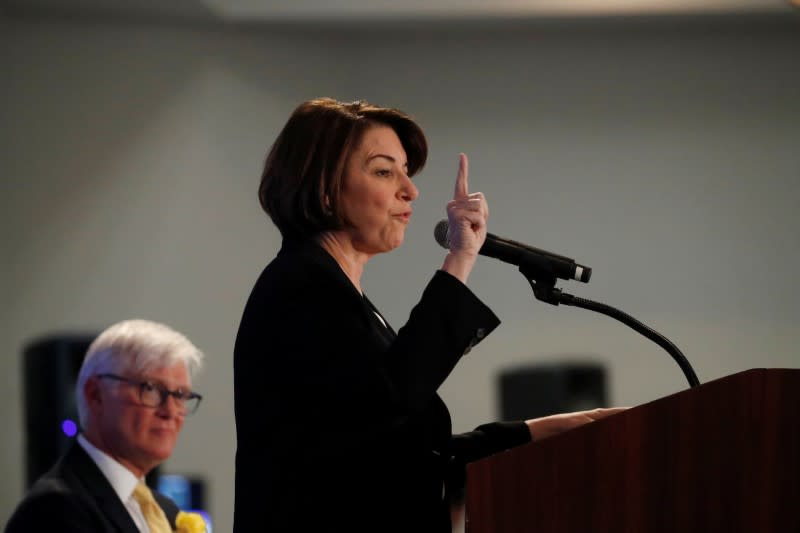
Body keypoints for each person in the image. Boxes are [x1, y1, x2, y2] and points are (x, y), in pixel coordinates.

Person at [233, 97, 623, 532]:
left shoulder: (340, 294)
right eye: (384, 171)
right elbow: (392, 399)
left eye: (406, 172)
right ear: (324, 187)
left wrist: (531, 434)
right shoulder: (301, 284)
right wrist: (459, 259)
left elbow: (389, 448)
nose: (410, 190)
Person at [5, 319, 205, 533]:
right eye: (151, 389)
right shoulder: (54, 509)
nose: (171, 411)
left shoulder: (166, 512)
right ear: (96, 395)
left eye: (181, 395)